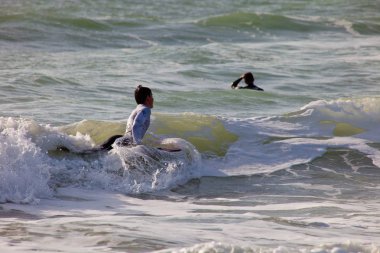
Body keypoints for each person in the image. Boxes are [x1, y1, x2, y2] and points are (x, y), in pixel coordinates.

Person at [100, 85, 153, 150]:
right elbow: (136, 125)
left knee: (95, 151)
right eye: (151, 96)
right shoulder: (145, 109)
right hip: (126, 142)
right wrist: (136, 144)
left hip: (120, 139)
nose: (153, 99)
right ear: (148, 97)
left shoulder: (136, 110)